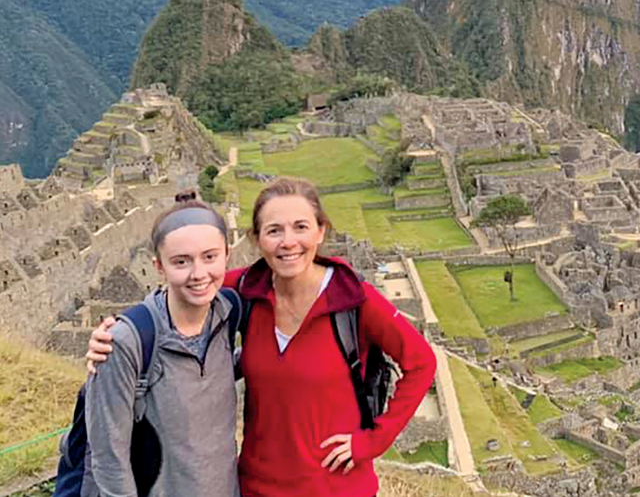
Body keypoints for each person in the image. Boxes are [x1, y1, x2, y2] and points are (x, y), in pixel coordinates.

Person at [89, 177, 437, 497]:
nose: (288, 242)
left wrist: (373, 441)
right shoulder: (244, 292)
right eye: (274, 231)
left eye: (301, 227)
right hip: (257, 485)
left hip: (335, 486)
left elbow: (421, 363)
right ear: (256, 240)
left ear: (321, 231)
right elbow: (185, 288)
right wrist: (121, 332)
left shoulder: (352, 300)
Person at [86, 193, 239, 497]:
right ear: (159, 266)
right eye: (181, 261)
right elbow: (108, 456)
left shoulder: (229, 314)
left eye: (210, 257)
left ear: (227, 256)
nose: (198, 274)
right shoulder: (127, 341)